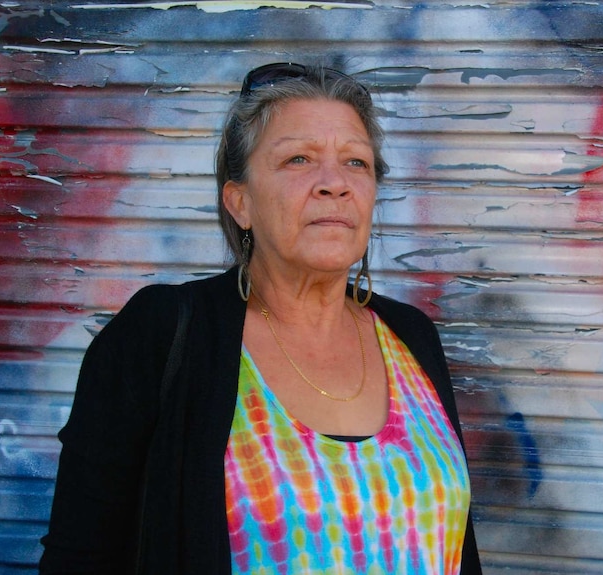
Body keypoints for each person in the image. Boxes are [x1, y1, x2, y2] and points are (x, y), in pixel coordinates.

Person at [40, 62, 482, 575]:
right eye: (298, 159)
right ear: (240, 202)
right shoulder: (162, 334)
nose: (334, 183)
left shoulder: (411, 336)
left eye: (356, 163)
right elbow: (80, 556)